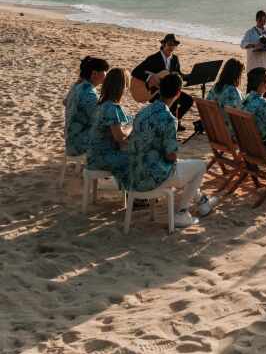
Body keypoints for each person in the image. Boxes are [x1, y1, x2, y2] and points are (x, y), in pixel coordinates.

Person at [127, 73, 216, 229]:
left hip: (135, 172)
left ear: (159, 90)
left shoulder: (142, 112)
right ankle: (182, 212)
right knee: (200, 166)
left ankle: (202, 202)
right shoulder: (168, 119)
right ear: (178, 93)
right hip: (153, 176)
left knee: (186, 166)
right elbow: (171, 156)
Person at [131, 34, 193, 128]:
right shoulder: (154, 58)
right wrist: (149, 78)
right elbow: (135, 71)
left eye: (173, 45)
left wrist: (190, 76)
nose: (171, 47)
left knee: (189, 100)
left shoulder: (175, 59)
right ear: (164, 44)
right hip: (153, 91)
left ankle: (176, 121)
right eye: (169, 44)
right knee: (173, 99)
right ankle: (170, 123)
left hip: (168, 89)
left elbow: (178, 74)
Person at [86, 67, 131, 189]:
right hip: (102, 157)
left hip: (93, 155)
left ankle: (131, 192)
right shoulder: (112, 108)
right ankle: (136, 195)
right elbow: (120, 137)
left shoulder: (102, 105)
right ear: (121, 88)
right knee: (137, 158)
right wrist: (131, 128)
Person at [65, 55, 109, 156]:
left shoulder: (78, 85)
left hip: (71, 138)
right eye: (104, 72)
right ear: (94, 73)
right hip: (78, 144)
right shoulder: (89, 93)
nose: (106, 75)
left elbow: (65, 102)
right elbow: (100, 119)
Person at [208, 58, 245, 132]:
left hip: (215, 129)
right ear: (236, 75)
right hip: (229, 133)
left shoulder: (215, 87)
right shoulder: (233, 92)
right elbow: (240, 114)